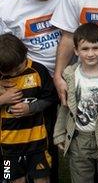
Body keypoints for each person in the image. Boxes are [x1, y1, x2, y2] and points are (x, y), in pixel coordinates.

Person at [0, 0, 68, 182]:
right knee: (25, 136)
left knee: (59, 142)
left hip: (69, 78)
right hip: (31, 83)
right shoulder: (7, 6)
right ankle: (10, 174)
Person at [53, 23, 98, 183]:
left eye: (95, 48)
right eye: (85, 49)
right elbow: (64, 107)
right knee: (80, 178)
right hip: (79, 139)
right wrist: (59, 133)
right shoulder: (70, 75)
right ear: (76, 50)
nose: (90, 54)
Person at [0, 33, 55, 183]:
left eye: (17, 69)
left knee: (42, 178)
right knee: (12, 179)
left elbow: (51, 98)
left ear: (25, 55)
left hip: (37, 143)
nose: (13, 74)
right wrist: (3, 99)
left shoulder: (38, 71)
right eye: (8, 73)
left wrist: (30, 108)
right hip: (7, 148)